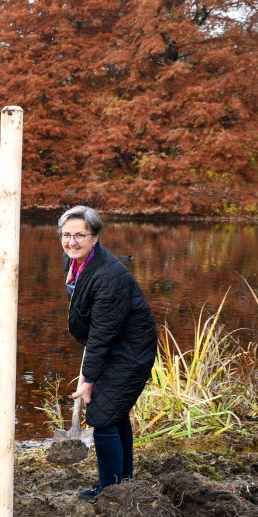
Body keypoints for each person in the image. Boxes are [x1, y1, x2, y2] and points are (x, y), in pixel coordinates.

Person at [57, 205, 157, 499]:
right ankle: (124, 483)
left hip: (129, 351)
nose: (72, 241)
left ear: (95, 236)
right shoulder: (73, 262)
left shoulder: (108, 275)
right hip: (113, 345)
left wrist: (88, 379)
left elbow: (102, 334)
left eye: (80, 235)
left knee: (101, 415)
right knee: (115, 412)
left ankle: (110, 489)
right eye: (66, 235)